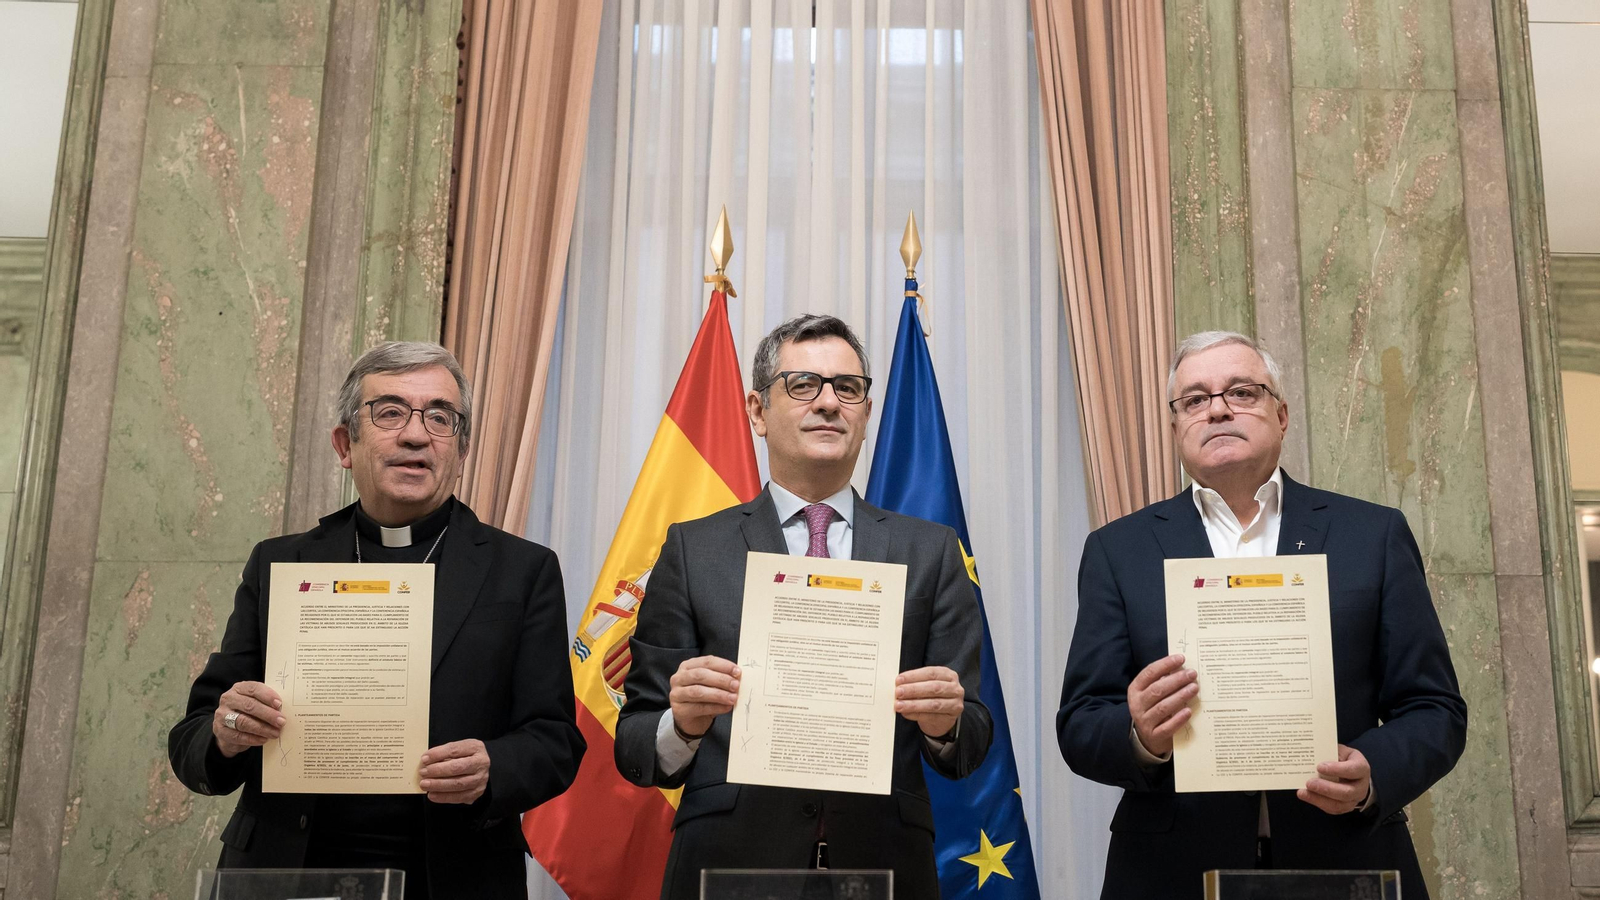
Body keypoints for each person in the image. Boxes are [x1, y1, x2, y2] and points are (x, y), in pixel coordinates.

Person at [1058, 330, 1467, 900]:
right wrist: (1139, 735)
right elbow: (1080, 723)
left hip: (1345, 855)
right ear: (1176, 427)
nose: (1218, 408)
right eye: (1194, 400)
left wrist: (1372, 772)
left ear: (1281, 414)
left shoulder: (1371, 535)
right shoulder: (1118, 550)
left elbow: (1435, 707)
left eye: (1241, 391)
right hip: (1168, 869)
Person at [168, 342, 584, 899]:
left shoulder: (522, 572)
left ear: (460, 450)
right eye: (389, 413)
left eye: (440, 417)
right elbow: (193, 738)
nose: (416, 435)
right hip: (286, 866)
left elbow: (554, 741)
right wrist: (226, 732)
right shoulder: (281, 563)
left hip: (452, 875)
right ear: (345, 443)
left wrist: (494, 765)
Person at [614, 314, 993, 900]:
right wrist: (683, 723)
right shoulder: (693, 549)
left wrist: (945, 723)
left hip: (884, 865)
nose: (828, 403)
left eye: (847, 388)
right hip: (729, 862)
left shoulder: (932, 550)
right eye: (802, 385)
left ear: (866, 415)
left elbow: (970, 741)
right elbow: (636, 746)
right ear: (758, 412)